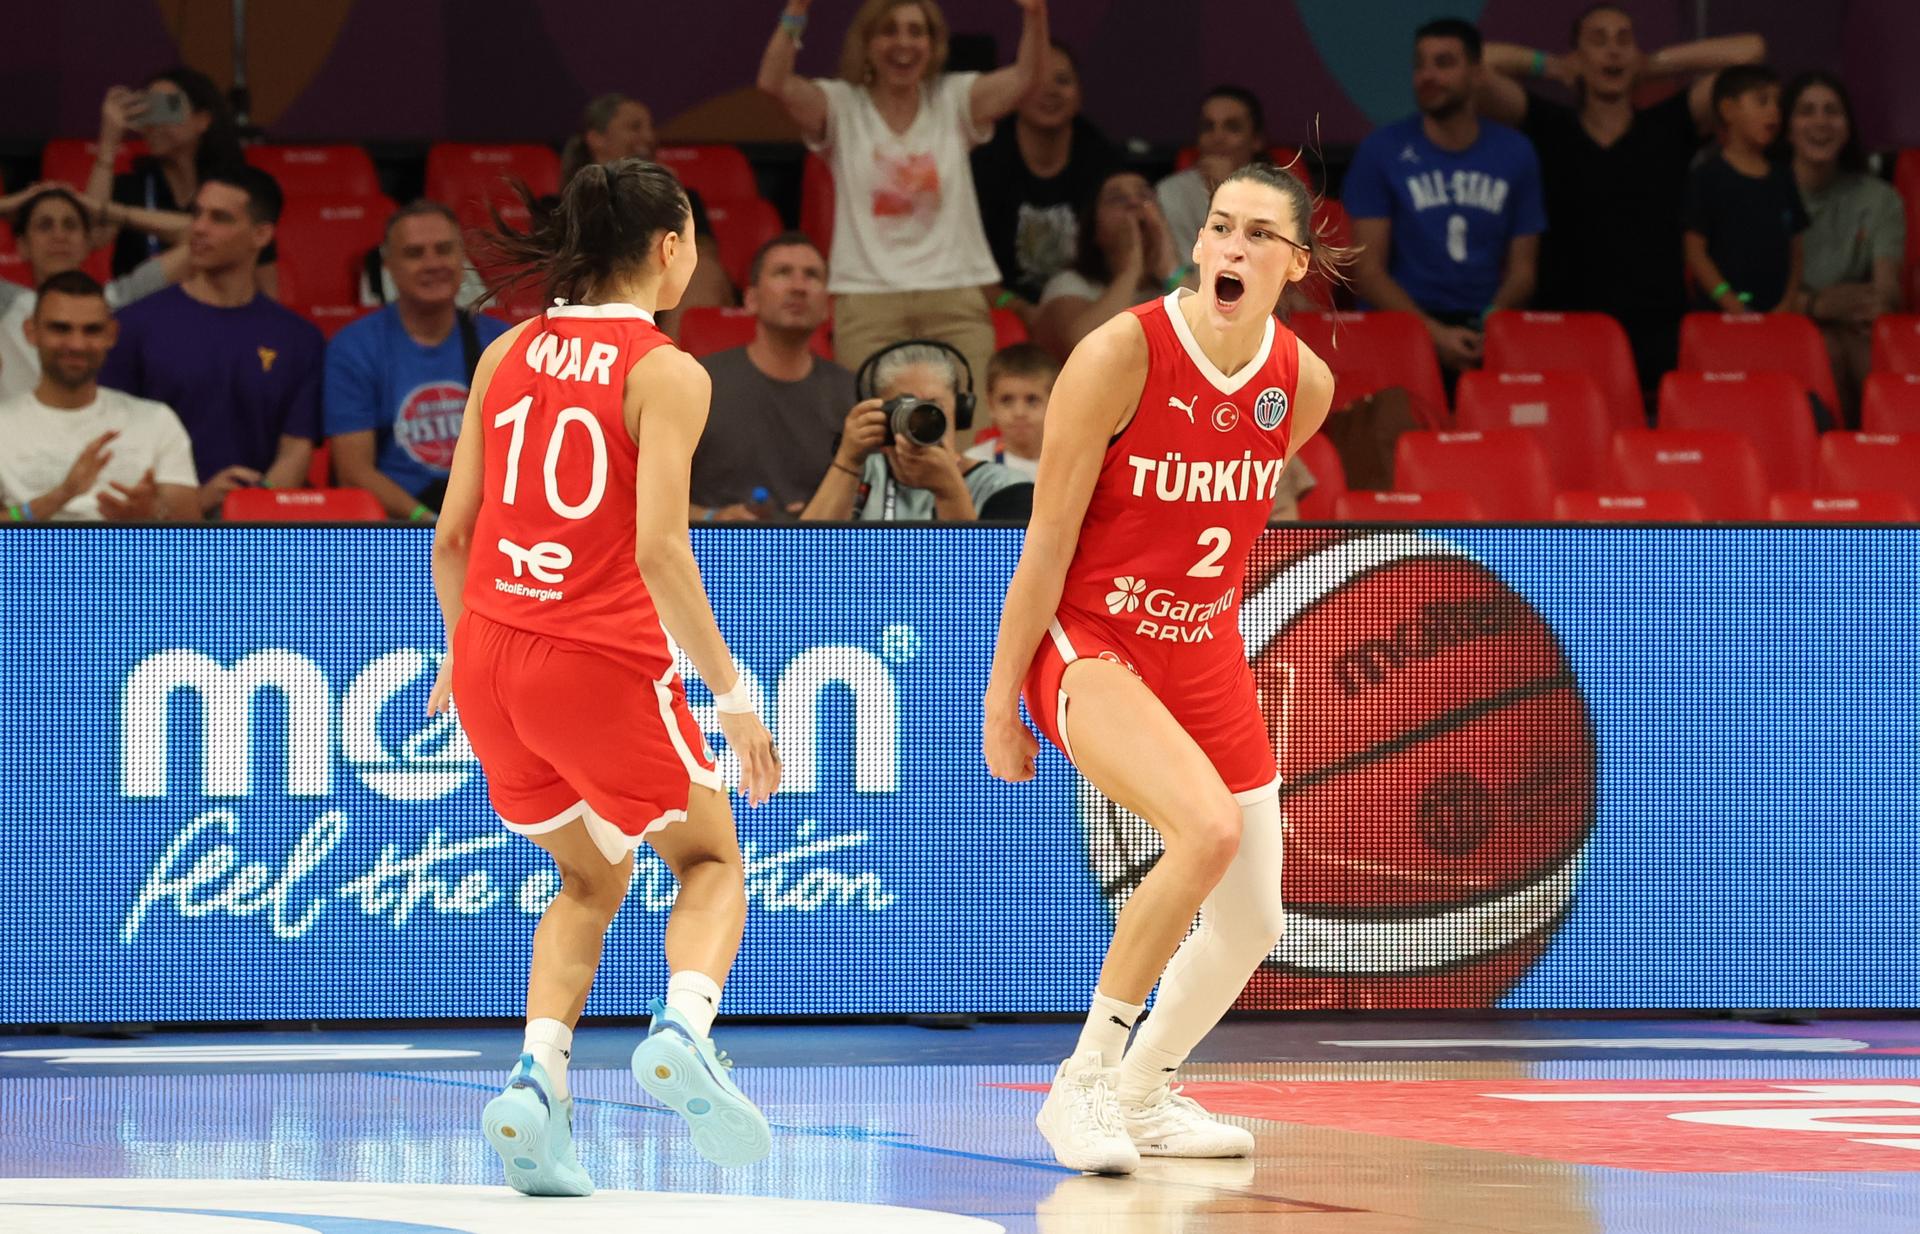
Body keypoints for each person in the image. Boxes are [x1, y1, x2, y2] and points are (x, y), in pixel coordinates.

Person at [429, 159, 781, 1194]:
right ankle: (684, 1027)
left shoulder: (506, 351)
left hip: (490, 656)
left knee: (589, 875)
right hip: (595, 658)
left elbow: (453, 537)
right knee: (710, 861)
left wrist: (462, 652)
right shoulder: (668, 369)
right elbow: (663, 551)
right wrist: (736, 696)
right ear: (671, 247)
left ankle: (538, 1084)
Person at [983, 163, 1339, 1173]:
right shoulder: (1116, 354)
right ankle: (1083, 1083)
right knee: (1206, 829)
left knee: (1254, 915)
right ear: (1196, 243)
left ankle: (1145, 1090)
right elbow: (1045, 544)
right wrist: (1002, 697)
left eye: (1256, 234)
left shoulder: (1300, 384)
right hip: (1092, 641)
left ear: (1292, 264)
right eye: (1219, 226)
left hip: (1205, 645)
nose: (1230, 246)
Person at [757, 0, 1049, 384]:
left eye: (916, 31)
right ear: (867, 43)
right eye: (889, 30)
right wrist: (798, 7)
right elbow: (773, 82)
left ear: (933, 44)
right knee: (874, 437)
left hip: (954, 297)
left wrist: (1035, 14)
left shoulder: (954, 99)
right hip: (867, 303)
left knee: (968, 437)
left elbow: (1028, 80)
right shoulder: (844, 106)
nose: (903, 43)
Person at [1479, 7, 1765, 392]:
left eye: (1624, 40)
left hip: (1657, 335)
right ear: (1577, 57)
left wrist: (1655, 64)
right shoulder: (1547, 125)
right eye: (1598, 41)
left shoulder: (1672, 123)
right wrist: (1550, 66)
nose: (1613, 51)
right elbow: (1474, 64)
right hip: (1563, 332)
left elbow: (1752, 51)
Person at [98, 167, 323, 514]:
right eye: (197, 214)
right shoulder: (133, 325)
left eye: (220, 218)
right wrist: (192, 505)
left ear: (261, 235)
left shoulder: (299, 338)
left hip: (260, 531)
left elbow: (295, 450)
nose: (199, 228)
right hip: (161, 531)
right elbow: (118, 446)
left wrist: (250, 505)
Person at [1343, 18, 1545, 380]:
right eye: (1420, 64)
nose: (1428, 75)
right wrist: (1432, 333)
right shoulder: (1381, 150)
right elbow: (1369, 272)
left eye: (1444, 63)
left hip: (1485, 323)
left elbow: (1523, 271)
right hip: (1402, 325)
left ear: (1478, 73)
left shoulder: (1516, 152)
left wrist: (1490, 320)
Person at [325, 202, 510, 520]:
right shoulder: (354, 347)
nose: (432, 263)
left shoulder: (503, 344)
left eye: (444, 250)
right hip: (398, 528)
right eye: (414, 253)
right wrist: (426, 522)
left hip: (488, 526)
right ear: (389, 266)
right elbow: (354, 473)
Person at [0, 270, 197, 523]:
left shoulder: (157, 420)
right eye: (60, 329)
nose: (77, 344)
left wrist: (148, 516)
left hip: (131, 561)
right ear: (31, 331)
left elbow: (193, 535)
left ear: (111, 334)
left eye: (91, 330)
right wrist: (60, 496)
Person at [691, 232, 855, 520]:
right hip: (715, 554)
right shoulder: (697, 383)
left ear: (827, 307)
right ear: (751, 298)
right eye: (782, 273)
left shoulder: (851, 393)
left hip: (820, 554)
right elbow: (643, 498)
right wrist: (711, 519)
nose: (798, 287)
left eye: (812, 276)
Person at [1781, 70, 1903, 424]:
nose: (1821, 122)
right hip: (1784, 323)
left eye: (1832, 111)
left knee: (1862, 344)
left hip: (1855, 325)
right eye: (1807, 111)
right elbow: (1744, 296)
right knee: (1828, 347)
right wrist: (1815, 305)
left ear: (1848, 129)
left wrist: (1873, 303)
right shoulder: (1762, 192)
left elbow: (1888, 288)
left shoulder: (1880, 198)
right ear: (1787, 129)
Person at [801, 339, 1029, 520]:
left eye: (933, 406)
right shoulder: (863, 475)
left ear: (960, 413)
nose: (919, 419)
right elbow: (803, 561)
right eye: (905, 406)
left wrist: (950, 492)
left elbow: (986, 576)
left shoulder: (1005, 487)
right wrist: (847, 461)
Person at [970, 40, 1119, 315]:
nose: (1049, 91)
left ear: (1078, 95)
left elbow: (1117, 263)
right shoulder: (984, 160)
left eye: (1062, 81)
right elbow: (968, 272)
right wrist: (1019, 308)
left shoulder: (1101, 159)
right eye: (1035, 80)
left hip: (1083, 303)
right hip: (1003, 303)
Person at [85, 69, 272, 288]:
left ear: (203, 120)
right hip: (142, 316)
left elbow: (266, 289)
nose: (154, 122)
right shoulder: (133, 187)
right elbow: (93, 235)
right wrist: (108, 142)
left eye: (166, 108)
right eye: (149, 110)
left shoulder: (238, 194)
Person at [0, 185, 187, 400]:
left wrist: (105, 211)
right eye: (45, 226)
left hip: (105, 427)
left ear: (88, 242)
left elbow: (198, 237)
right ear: (22, 245)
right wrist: (11, 203)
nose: (59, 235)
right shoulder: (6, 302)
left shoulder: (118, 299)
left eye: (70, 226)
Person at [1683, 65, 1807, 316]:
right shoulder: (1708, 176)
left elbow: (1796, 248)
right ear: (1728, 110)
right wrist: (1728, 301)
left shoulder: (1782, 177)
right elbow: (1695, 251)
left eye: (1777, 103)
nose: (1774, 111)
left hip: (1777, 314)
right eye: (1762, 101)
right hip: (1720, 316)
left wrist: (1789, 300)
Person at [1033, 170, 1186, 360]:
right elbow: (1084, 349)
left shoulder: (1184, 279)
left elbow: (1212, 338)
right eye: (1117, 199)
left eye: (1144, 196)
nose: (1134, 204)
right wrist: (1130, 271)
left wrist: (1170, 268)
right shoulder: (1069, 284)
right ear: (1095, 230)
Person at [1155, 86, 1269, 256]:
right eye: (1208, 127)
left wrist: (1229, 189)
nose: (1217, 137)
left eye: (1232, 127)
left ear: (1256, 140)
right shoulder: (1171, 191)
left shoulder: (1277, 193)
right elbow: (1180, 270)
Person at [964, 341, 1057, 479]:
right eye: (1006, 400)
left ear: (1055, 403)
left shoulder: (1075, 462)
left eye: (1032, 400)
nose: (1019, 413)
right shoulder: (975, 464)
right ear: (990, 406)